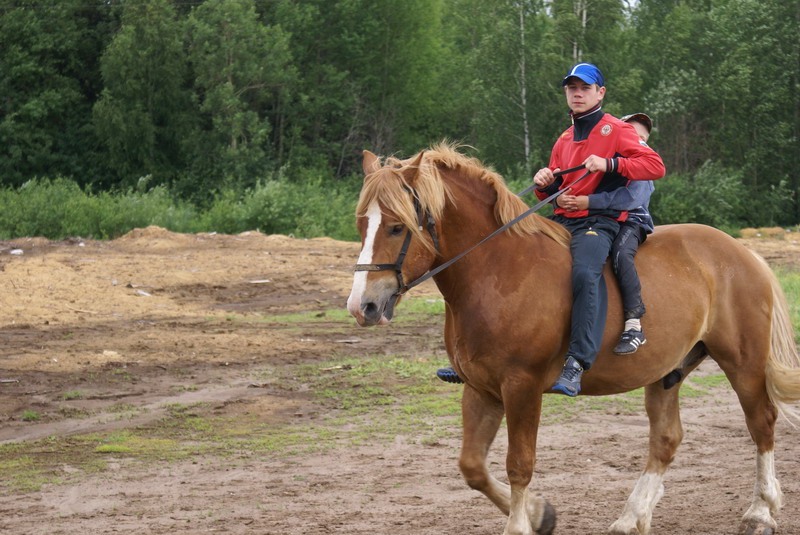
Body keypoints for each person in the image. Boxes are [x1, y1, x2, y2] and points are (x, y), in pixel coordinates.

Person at [532, 64, 664, 396]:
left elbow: (655, 166)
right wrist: (545, 184)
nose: (577, 93)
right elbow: (559, 190)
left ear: (600, 93)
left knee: (584, 273)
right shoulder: (564, 138)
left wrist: (611, 163)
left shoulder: (616, 129)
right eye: (571, 88)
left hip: (598, 223)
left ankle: (577, 361)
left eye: (585, 88)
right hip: (562, 220)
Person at [557, 112, 655, 355]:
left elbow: (629, 199)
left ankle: (634, 324)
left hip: (632, 221)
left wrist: (588, 201)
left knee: (621, 255)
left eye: (643, 138)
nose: (639, 142)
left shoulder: (639, 167)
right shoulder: (610, 162)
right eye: (634, 136)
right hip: (603, 218)